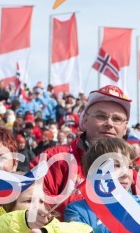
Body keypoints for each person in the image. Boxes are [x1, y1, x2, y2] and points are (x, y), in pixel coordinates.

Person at [31, 85, 132, 218]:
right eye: (101, 116)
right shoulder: (53, 159)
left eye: (117, 119)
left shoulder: (130, 170)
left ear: (125, 128)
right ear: (84, 121)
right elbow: (30, 211)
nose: (109, 123)